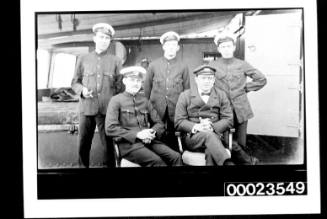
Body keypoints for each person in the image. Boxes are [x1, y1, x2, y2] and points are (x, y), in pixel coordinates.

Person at [105, 66, 183, 167]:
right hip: (129, 145)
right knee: (157, 162)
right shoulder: (116, 100)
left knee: (175, 156)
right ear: (124, 81)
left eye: (138, 81)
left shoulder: (145, 101)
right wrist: (137, 134)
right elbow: (110, 128)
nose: (135, 83)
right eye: (132, 80)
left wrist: (151, 132)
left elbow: (159, 123)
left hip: (149, 141)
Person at [209, 31, 267, 164]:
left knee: (241, 142)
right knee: (223, 139)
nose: (226, 49)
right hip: (222, 110)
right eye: (223, 47)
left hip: (241, 109)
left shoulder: (242, 64)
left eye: (229, 46)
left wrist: (245, 88)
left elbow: (261, 79)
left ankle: (243, 164)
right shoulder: (213, 66)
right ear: (219, 49)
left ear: (234, 47)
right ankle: (240, 162)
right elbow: (207, 85)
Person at [71, 23, 123, 168]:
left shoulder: (116, 61)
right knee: (83, 145)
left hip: (107, 110)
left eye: (107, 38)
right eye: (101, 37)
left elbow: (119, 87)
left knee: (108, 147)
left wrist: (116, 108)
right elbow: (75, 82)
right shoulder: (83, 59)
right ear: (94, 39)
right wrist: (82, 90)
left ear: (109, 41)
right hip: (86, 109)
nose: (104, 40)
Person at [174, 65, 235, 166]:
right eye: (203, 78)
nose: (207, 81)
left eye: (210, 78)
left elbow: (229, 119)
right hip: (193, 138)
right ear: (196, 79)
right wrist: (196, 127)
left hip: (216, 136)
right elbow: (179, 121)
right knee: (208, 135)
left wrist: (212, 127)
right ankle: (227, 163)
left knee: (211, 150)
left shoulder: (221, 95)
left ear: (214, 80)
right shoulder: (185, 95)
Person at [143, 31, 190, 152]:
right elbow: (147, 89)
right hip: (156, 109)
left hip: (176, 109)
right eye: (168, 45)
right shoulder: (153, 65)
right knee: (156, 136)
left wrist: (186, 110)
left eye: (174, 45)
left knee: (175, 137)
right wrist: (145, 109)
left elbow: (187, 91)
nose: (171, 48)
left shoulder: (183, 66)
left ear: (178, 47)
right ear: (163, 47)